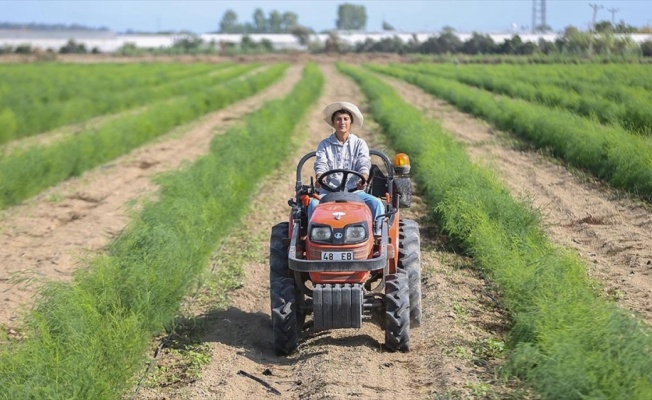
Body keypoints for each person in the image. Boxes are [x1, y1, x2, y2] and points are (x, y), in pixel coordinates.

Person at [308, 101, 385, 236]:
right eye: (338, 119)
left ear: (351, 122)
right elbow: (321, 164)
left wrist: (363, 179)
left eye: (345, 119)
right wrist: (320, 177)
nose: (342, 122)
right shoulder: (324, 145)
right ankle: (314, 237)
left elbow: (364, 164)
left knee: (377, 204)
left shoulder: (359, 144)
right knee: (313, 204)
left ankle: (378, 236)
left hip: (355, 192)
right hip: (328, 192)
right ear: (333, 123)